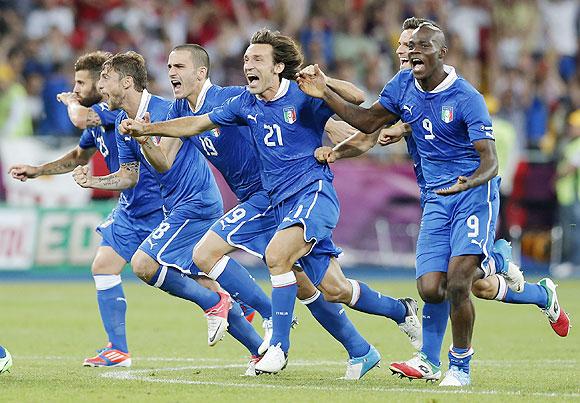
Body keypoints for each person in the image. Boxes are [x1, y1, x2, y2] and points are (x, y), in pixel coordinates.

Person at [119, 29, 422, 378]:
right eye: (246, 58)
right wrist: (147, 133)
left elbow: (354, 100)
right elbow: (182, 139)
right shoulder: (238, 102)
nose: (171, 72)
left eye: (257, 59)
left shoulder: (267, 95)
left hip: (300, 193)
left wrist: (336, 114)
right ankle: (382, 328)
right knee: (329, 288)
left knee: (249, 257)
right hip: (270, 201)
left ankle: (274, 340)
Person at [297, 23, 569, 386]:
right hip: (435, 197)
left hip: (472, 194)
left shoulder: (466, 97)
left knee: (460, 283)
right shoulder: (401, 87)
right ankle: (519, 276)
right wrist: (338, 138)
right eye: (404, 46)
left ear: (440, 52)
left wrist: (469, 180)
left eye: (415, 46)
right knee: (444, 287)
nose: (406, 52)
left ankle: (451, 363)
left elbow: (488, 158)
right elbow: (366, 126)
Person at [70, 51, 264, 370]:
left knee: (148, 266)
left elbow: (166, 159)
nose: (100, 88)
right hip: (169, 207)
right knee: (123, 267)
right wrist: (94, 180)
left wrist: (147, 136)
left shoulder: (166, 109)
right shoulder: (121, 121)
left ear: (127, 83)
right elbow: (131, 175)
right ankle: (259, 348)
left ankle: (231, 305)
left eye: (105, 80)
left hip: (194, 204)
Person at [8, 51, 164, 367]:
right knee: (103, 265)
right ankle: (118, 350)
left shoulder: (109, 111)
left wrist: (69, 102)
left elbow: (79, 117)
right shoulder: (96, 120)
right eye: (74, 84)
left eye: (82, 82)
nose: (76, 89)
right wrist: (39, 170)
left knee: (195, 271)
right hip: (130, 207)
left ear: (101, 82)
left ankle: (240, 306)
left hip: (160, 206)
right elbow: (79, 156)